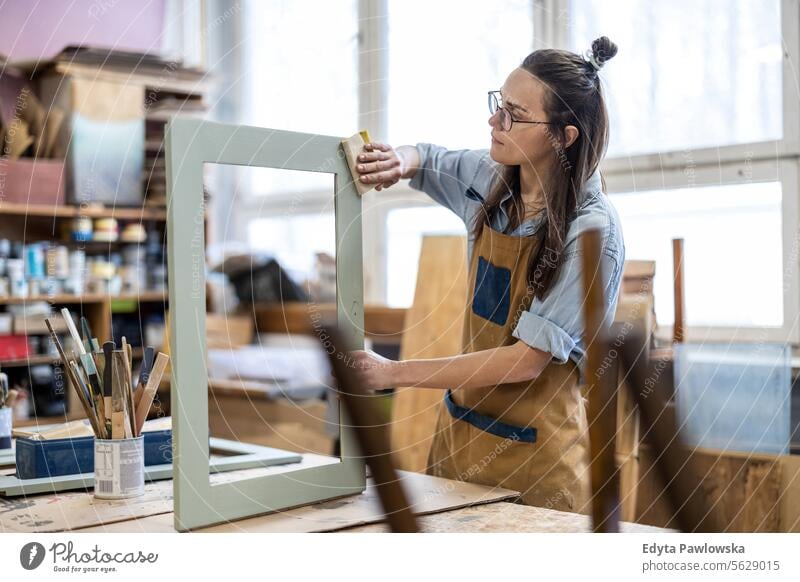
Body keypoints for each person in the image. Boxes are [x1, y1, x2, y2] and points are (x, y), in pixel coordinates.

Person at [350, 37, 625, 514]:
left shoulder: (591, 234)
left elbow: (524, 362)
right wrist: (401, 161)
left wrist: (393, 373)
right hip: (461, 436)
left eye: (514, 115)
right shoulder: (493, 176)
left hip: (537, 467)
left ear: (563, 137)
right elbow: (430, 158)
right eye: (498, 104)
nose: (494, 122)